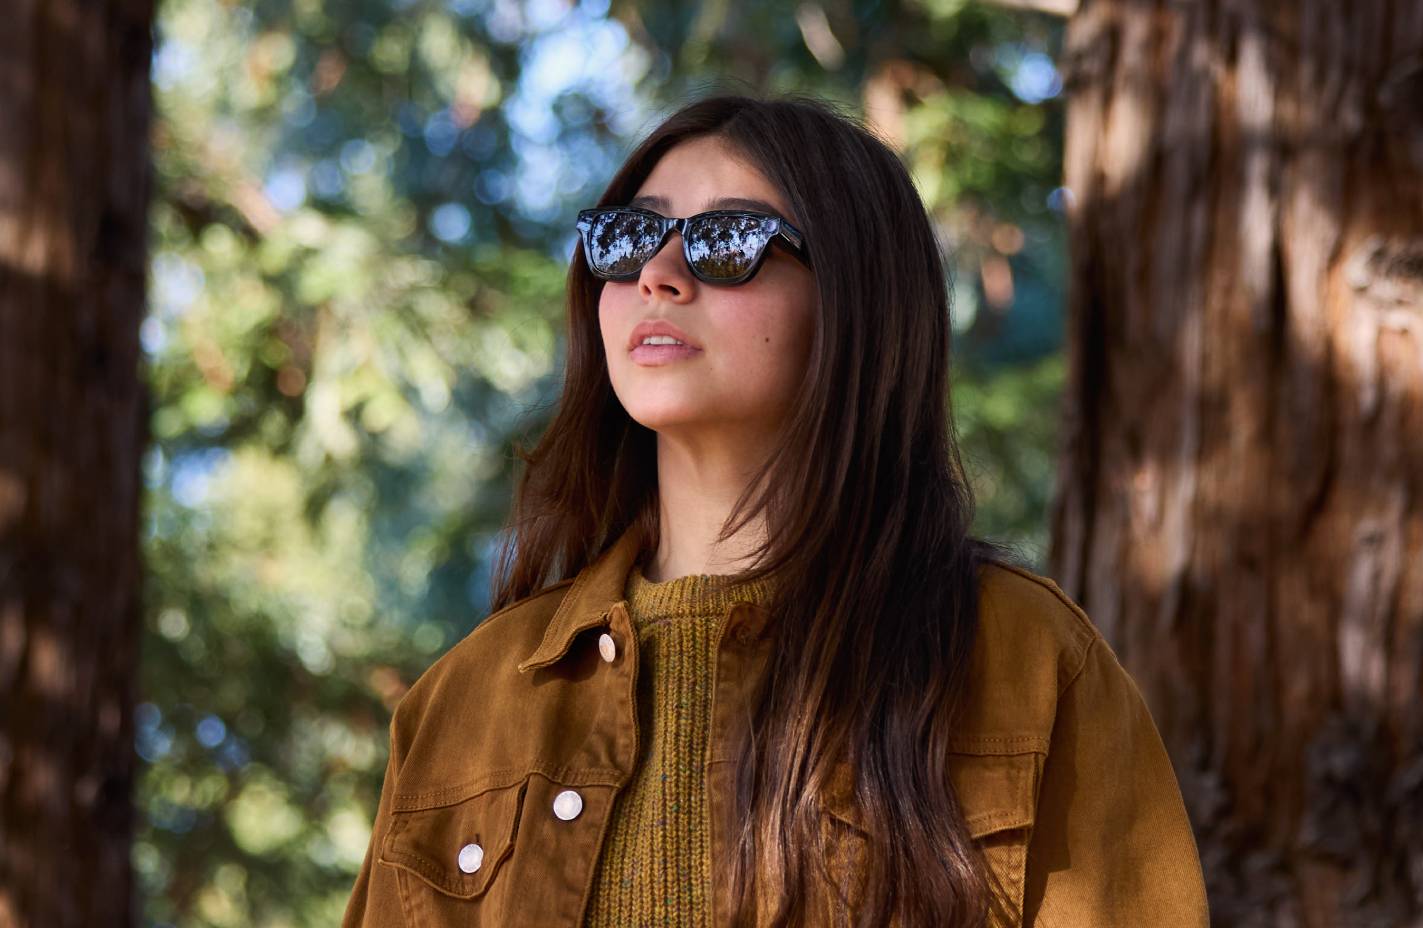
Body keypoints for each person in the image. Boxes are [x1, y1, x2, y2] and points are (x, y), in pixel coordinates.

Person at [340, 91, 1209, 928]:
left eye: (726, 241)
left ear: (858, 300)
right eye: (632, 236)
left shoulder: (1023, 660)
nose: (659, 274)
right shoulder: (464, 702)